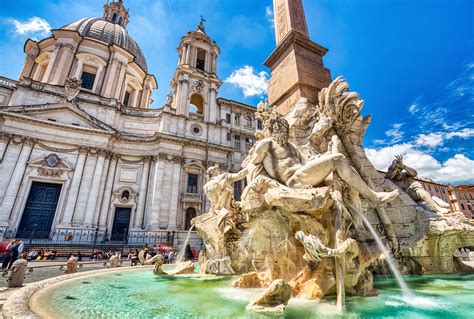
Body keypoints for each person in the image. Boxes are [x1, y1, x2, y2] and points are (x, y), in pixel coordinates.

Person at [248, 115, 399, 205]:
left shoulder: (291, 146)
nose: (280, 130)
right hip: (294, 181)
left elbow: (307, 161)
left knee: (339, 167)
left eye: (282, 127)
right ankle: (373, 197)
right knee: (338, 159)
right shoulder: (266, 144)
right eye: (276, 128)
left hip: (303, 175)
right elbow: (252, 167)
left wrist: (324, 155)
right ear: (271, 129)